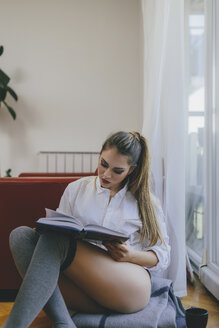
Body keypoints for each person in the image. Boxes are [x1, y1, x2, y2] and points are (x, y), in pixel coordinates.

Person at [3, 131, 170, 328]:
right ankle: (64, 322)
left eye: (117, 170)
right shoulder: (77, 189)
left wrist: (130, 255)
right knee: (21, 236)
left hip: (129, 286)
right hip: (84, 288)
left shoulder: (146, 202)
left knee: (57, 240)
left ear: (131, 170)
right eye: (103, 164)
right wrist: (44, 232)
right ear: (99, 156)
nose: (106, 174)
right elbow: (58, 231)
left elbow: (163, 256)